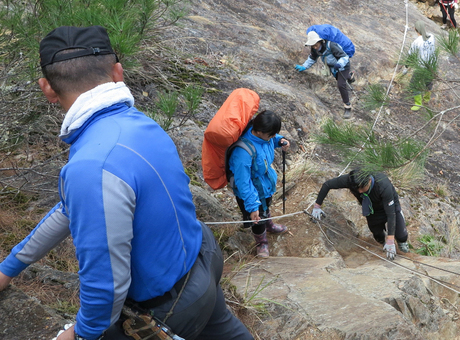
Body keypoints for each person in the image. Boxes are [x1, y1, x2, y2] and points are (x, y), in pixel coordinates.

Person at [0, 26, 252, 340]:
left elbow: (107, 284)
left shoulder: (93, 164)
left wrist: (81, 334)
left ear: (47, 89)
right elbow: (70, 209)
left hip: (167, 309)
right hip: (201, 261)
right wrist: (9, 267)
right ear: (118, 72)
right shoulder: (140, 124)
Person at [229, 110, 291, 258]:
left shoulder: (265, 137)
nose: (273, 137)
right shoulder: (242, 152)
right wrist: (252, 205)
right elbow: (243, 182)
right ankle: (261, 243)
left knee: (266, 207)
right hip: (250, 191)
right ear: (260, 131)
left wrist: (281, 140)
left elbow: (269, 142)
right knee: (257, 219)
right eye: (272, 134)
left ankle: (269, 225)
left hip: (264, 184)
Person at [311, 170, 409, 260]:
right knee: (377, 235)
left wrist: (391, 240)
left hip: (390, 207)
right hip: (372, 209)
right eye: (357, 189)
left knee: (401, 236)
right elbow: (327, 185)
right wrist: (317, 206)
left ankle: (402, 244)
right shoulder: (352, 180)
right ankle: (384, 245)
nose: (360, 192)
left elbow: (391, 214)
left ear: (369, 181)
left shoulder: (383, 185)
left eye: (362, 188)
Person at [294, 30, 356, 119]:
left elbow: (344, 57)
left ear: (320, 41)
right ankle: (350, 77)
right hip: (333, 67)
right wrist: (304, 66)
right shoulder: (315, 49)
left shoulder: (331, 45)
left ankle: (347, 107)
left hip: (343, 65)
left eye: (316, 45)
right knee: (341, 79)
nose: (315, 47)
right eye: (313, 45)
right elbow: (312, 58)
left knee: (341, 84)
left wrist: (340, 64)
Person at [408, 20, 436, 111]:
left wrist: (406, 65)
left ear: (415, 29)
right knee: (428, 83)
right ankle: (426, 99)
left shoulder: (416, 42)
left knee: (414, 83)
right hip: (432, 65)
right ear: (424, 28)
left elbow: (411, 55)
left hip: (421, 66)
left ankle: (418, 103)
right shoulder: (432, 37)